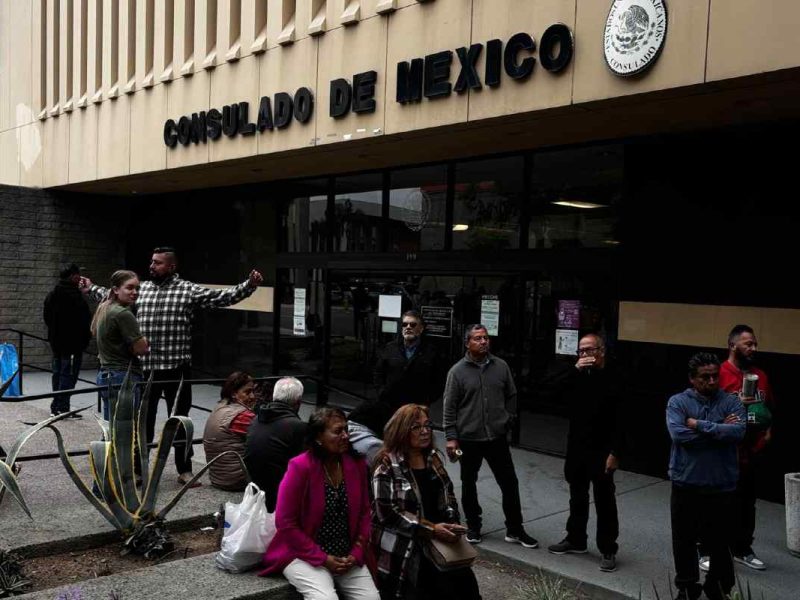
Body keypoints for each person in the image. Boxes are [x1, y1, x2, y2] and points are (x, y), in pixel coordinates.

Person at [84, 246, 263, 486]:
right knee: (143, 422)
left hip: (176, 368)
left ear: (171, 266)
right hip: (146, 369)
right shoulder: (142, 289)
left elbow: (222, 298)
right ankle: (138, 470)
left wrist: (249, 286)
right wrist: (90, 287)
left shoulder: (187, 289)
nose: (152, 266)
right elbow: (112, 293)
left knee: (179, 421)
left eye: (158, 263)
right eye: (152, 261)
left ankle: (184, 469)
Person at [258, 408, 378, 600]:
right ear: (318, 438)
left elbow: (365, 513)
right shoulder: (300, 467)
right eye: (338, 431)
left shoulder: (356, 465)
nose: (345, 436)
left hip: (346, 554)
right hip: (303, 553)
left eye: (346, 430)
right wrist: (322, 558)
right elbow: (285, 522)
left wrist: (356, 553)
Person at [371, 404, 481, 600]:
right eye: (416, 427)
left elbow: (447, 493)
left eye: (427, 425)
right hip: (407, 548)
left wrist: (451, 520)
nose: (425, 431)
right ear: (401, 431)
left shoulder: (432, 458)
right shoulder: (387, 465)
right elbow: (386, 512)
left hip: (441, 543)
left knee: (468, 589)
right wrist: (431, 529)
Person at [443, 324, 537, 548]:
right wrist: (451, 437)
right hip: (467, 439)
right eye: (477, 338)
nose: (483, 341)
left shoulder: (501, 366)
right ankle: (474, 527)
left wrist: (509, 419)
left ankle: (515, 529)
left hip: (496, 438)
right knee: (468, 482)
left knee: (509, 482)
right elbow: (449, 406)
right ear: (467, 343)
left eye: (485, 337)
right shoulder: (457, 372)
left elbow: (512, 394)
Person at [667, 352, 745, 600]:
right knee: (684, 540)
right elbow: (679, 435)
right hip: (686, 482)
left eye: (715, 376)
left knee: (721, 542)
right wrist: (720, 428)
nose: (712, 381)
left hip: (721, 484)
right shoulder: (678, 402)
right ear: (692, 379)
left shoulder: (731, 402)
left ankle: (718, 587)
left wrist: (699, 425)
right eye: (705, 377)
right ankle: (687, 587)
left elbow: (738, 432)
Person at [699, 324, 774, 573]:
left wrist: (767, 432)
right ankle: (706, 550)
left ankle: (742, 549)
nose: (753, 348)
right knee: (716, 504)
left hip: (750, 452)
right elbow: (703, 411)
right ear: (732, 345)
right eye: (748, 344)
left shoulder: (760, 376)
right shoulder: (717, 374)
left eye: (755, 344)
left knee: (746, 504)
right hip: (722, 452)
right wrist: (734, 403)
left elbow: (768, 408)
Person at [547, 333, 623, 573]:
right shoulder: (577, 374)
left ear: (601, 351)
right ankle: (576, 538)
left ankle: (608, 547)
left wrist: (616, 452)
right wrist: (575, 370)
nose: (585, 355)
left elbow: (623, 420)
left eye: (589, 350)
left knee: (604, 499)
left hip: (603, 449)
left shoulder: (614, 376)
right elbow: (552, 393)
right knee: (577, 495)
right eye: (581, 351)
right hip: (577, 446)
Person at [347, 310, 443, 462]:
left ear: (421, 328)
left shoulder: (431, 352)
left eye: (413, 324)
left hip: (416, 408)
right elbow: (378, 373)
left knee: (415, 445)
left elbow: (439, 381)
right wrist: (382, 392)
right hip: (390, 407)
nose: (408, 327)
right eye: (405, 324)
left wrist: (426, 400)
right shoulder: (390, 348)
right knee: (393, 443)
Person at [91, 270, 149, 422]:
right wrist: (143, 340)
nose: (135, 292)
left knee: (111, 427)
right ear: (116, 290)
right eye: (129, 288)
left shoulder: (105, 308)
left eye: (137, 288)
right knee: (124, 429)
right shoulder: (123, 314)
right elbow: (142, 349)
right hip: (123, 377)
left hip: (106, 375)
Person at [244, 376, 308, 512]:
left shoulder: (256, 419)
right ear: (298, 402)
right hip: (278, 494)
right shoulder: (298, 427)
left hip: (256, 488)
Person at [43, 263, 92, 417]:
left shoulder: (53, 294)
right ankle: (62, 407)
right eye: (78, 275)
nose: (80, 278)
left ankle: (57, 406)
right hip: (73, 344)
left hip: (57, 343)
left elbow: (47, 318)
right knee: (69, 375)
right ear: (73, 276)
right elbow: (84, 319)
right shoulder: (75, 296)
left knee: (58, 373)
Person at [203, 371, 256, 491]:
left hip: (218, 478)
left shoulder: (220, 407)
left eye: (253, 391)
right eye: (248, 392)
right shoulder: (242, 415)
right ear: (234, 394)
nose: (253, 396)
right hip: (237, 480)